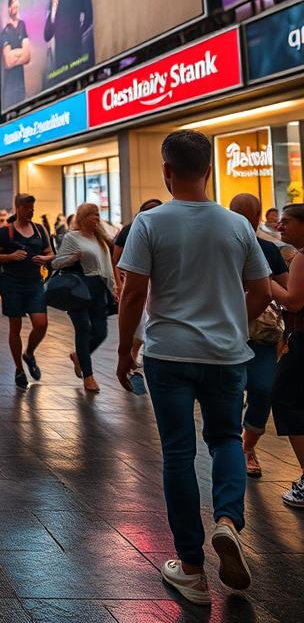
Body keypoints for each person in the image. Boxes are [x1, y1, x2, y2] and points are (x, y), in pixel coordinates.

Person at [116, 130, 272, 605]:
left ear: (167, 170)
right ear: (208, 170)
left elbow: (134, 292)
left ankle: (191, 569)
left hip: (169, 355)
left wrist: (125, 351)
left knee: (179, 454)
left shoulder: (151, 223)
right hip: (227, 357)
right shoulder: (237, 225)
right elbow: (263, 292)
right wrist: (232, 326)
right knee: (226, 439)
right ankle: (227, 521)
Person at [229, 193, 290, 479]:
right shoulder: (221, 246)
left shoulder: (268, 250)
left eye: (247, 216)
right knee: (230, 390)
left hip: (262, 333)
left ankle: (247, 446)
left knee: (264, 389)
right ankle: (229, 449)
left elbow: (288, 293)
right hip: (226, 331)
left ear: (256, 219)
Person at [0, 194, 54, 388]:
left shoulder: (40, 230)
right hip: (12, 283)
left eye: (32, 208)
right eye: (27, 208)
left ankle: (29, 353)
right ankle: (18, 369)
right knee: (15, 326)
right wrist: (10, 256)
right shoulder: (5, 232)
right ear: (18, 208)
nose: (31, 211)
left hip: (34, 283)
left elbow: (50, 252)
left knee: (41, 324)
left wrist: (46, 259)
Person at [53, 202, 117, 394]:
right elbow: (56, 263)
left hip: (98, 288)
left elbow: (106, 267)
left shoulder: (101, 239)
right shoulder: (72, 237)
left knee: (100, 332)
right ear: (82, 218)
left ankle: (78, 356)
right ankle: (88, 376)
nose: (97, 219)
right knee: (83, 329)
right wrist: (71, 259)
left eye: (98, 215)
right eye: (93, 215)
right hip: (78, 288)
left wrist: (112, 287)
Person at [273, 204, 304, 509]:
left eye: (287, 222)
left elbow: (294, 302)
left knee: (286, 400)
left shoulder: (302, 258)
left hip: (302, 339)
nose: (280, 228)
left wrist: (268, 283)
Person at [112, 199, 164, 368]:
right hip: (137, 281)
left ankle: (135, 355)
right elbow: (116, 259)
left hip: (155, 283)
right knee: (140, 321)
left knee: (145, 321)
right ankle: (133, 355)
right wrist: (119, 283)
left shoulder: (164, 229)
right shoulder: (131, 230)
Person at [0, 0, 31, 107]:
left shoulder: (22, 25)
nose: (15, 3)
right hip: (9, 92)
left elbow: (27, 56)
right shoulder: (5, 31)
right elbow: (8, 61)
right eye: (13, 0)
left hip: (21, 87)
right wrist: (21, 51)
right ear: (9, 5)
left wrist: (15, 53)